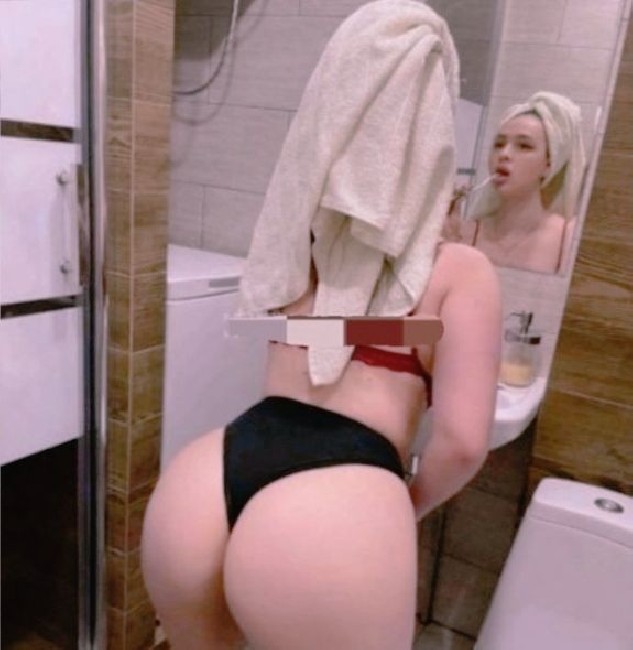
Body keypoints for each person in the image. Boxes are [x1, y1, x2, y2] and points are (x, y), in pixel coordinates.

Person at [141, 3, 502, 649]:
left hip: (206, 479)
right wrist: (402, 504)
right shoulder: (459, 271)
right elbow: (463, 444)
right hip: (336, 507)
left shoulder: (293, 244)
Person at [461, 92, 586, 275]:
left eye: (524, 146)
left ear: (549, 165)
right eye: (499, 144)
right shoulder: (468, 232)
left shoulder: (567, 237)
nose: (504, 154)